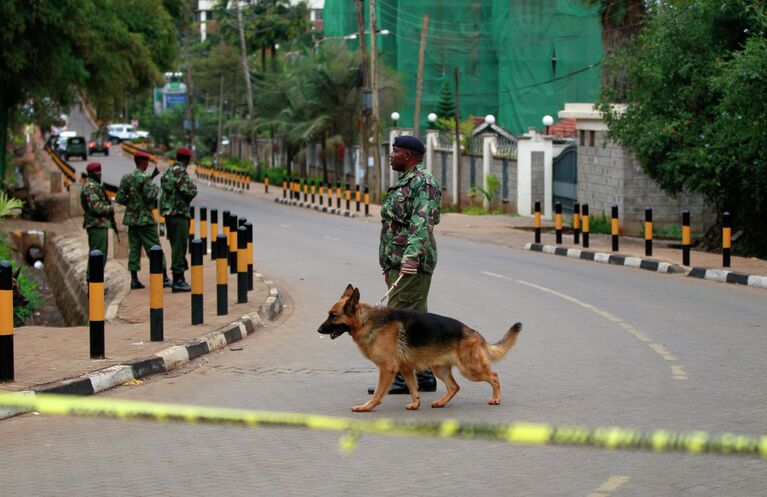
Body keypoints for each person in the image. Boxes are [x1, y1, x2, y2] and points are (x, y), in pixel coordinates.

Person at [369, 135, 442, 395]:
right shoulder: (406, 181)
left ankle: (402, 377)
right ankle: (423, 377)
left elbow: (422, 224)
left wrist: (410, 258)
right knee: (415, 321)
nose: (391, 155)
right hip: (398, 263)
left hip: (412, 264)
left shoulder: (423, 183)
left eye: (395, 151)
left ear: (408, 155)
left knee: (400, 321)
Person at [115, 151, 171, 290]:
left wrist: (132, 203)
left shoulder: (127, 178)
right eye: (147, 163)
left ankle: (134, 280)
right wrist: (155, 187)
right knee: (154, 247)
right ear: (144, 163)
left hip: (132, 220)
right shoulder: (145, 178)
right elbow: (150, 196)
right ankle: (163, 277)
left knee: (134, 249)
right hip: (145, 219)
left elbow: (120, 198)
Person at [160, 147, 197, 292]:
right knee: (179, 247)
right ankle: (178, 280)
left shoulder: (169, 170)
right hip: (179, 214)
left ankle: (179, 277)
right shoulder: (180, 171)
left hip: (171, 214)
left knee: (176, 245)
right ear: (186, 159)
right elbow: (190, 190)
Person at [80, 162, 115, 280]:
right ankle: (93, 283)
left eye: (100, 172)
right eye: (97, 172)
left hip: (100, 224)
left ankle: (96, 282)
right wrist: (110, 208)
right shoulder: (90, 186)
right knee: (97, 256)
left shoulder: (95, 185)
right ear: (91, 173)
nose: (99, 174)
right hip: (96, 225)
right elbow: (95, 207)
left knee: (101, 256)